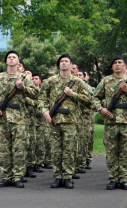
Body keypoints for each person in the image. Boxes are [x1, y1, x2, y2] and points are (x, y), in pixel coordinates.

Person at [37, 54, 90, 189]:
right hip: (54, 120)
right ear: (59, 65)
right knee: (55, 150)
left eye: (66, 61)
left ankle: (67, 177)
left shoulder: (78, 82)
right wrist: (44, 111)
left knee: (69, 150)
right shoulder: (50, 81)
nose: (64, 63)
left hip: (71, 121)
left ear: (71, 65)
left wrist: (73, 95)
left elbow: (88, 99)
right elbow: (41, 99)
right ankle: (57, 176)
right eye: (61, 61)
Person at [0, 50, 38, 188]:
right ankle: (6, 176)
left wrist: (23, 88)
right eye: (9, 57)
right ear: (6, 61)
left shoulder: (24, 78)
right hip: (2, 118)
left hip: (19, 118)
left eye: (14, 57)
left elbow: (35, 93)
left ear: (18, 61)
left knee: (19, 148)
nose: (11, 59)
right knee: (4, 149)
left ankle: (17, 176)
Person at [92, 56, 127, 190]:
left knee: (126, 152)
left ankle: (124, 179)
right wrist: (101, 109)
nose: (117, 65)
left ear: (125, 67)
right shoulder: (105, 81)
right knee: (111, 152)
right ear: (112, 67)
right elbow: (94, 98)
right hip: (111, 123)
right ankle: (113, 179)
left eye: (120, 63)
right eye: (115, 63)